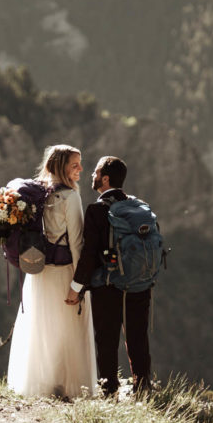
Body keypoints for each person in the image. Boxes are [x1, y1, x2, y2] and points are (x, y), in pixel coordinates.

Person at [7, 145, 97, 398]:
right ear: (60, 167)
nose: (80, 169)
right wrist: (79, 284)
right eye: (74, 165)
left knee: (42, 328)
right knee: (69, 329)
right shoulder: (70, 197)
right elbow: (78, 243)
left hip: (40, 272)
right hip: (64, 272)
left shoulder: (38, 195)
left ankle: (41, 385)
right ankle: (70, 387)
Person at [65, 156, 152, 397]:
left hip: (108, 284)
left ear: (105, 178)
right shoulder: (140, 207)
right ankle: (143, 388)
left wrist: (76, 286)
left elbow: (89, 254)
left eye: (95, 172)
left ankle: (109, 389)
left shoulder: (97, 210)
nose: (91, 175)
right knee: (137, 337)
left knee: (107, 338)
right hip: (140, 283)